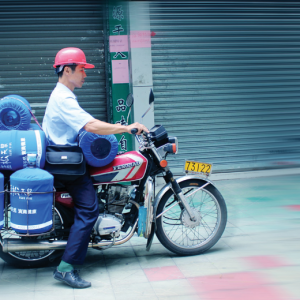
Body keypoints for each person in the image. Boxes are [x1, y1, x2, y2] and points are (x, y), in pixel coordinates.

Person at [42, 47, 148, 288]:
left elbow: (87, 122)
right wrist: (125, 128)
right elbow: (89, 125)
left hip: (64, 158)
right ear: (67, 70)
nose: (85, 75)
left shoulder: (63, 94)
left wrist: (110, 127)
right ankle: (66, 268)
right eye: (82, 70)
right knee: (89, 210)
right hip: (65, 164)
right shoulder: (63, 97)